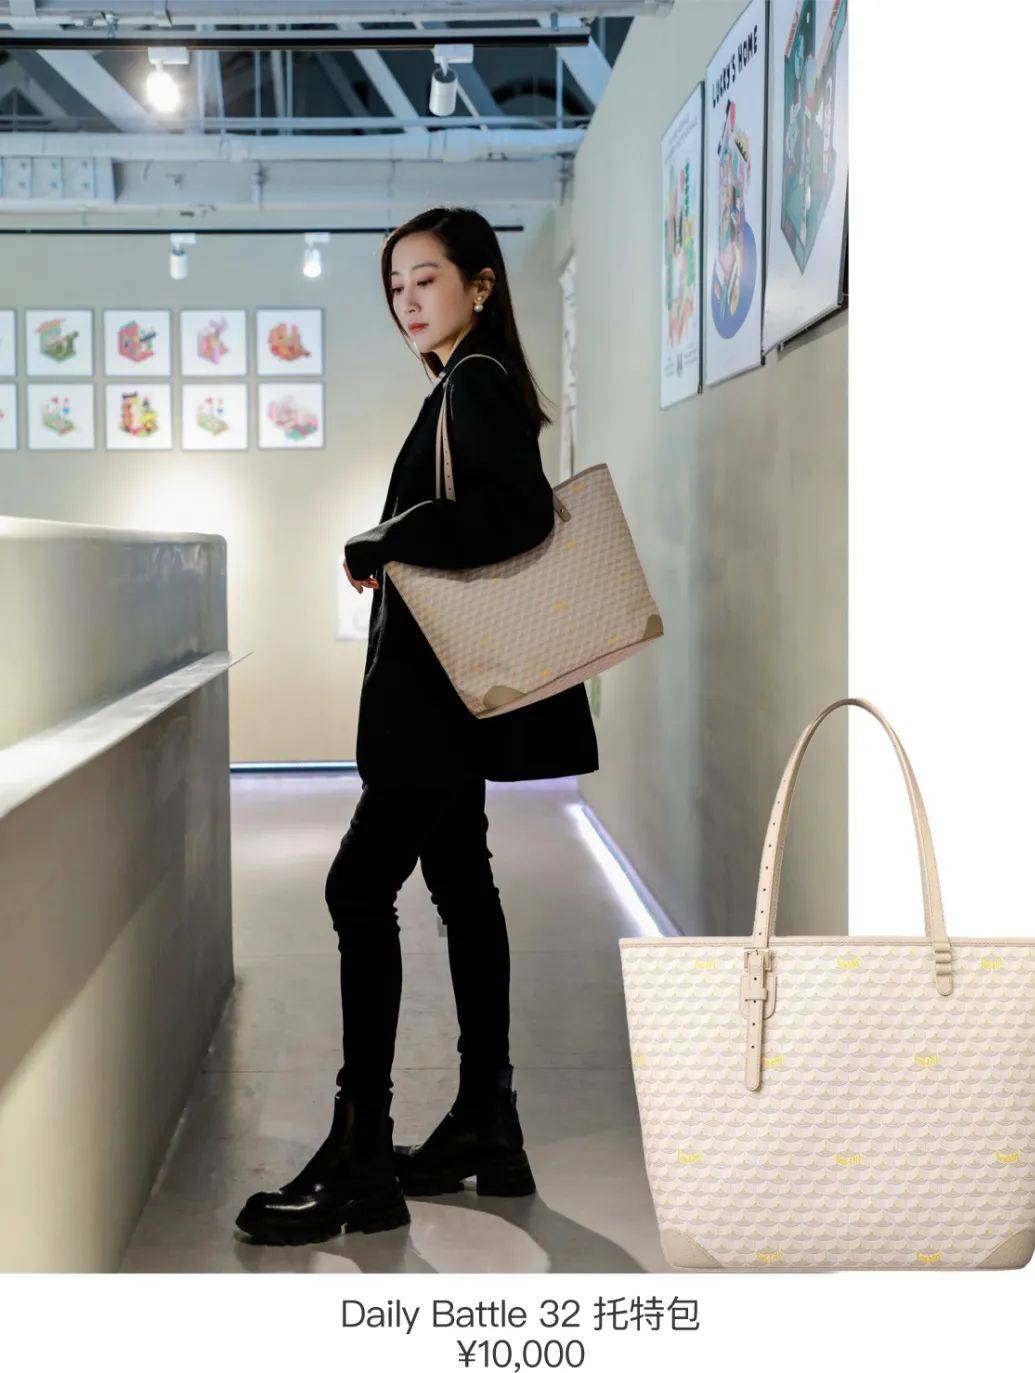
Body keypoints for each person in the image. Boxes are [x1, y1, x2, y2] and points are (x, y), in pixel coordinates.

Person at [236, 206, 599, 1246]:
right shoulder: (467, 381)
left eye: (426, 279)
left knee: (357, 888)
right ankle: (489, 1121)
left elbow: (515, 513)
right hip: (448, 702)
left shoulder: (473, 381)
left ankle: (364, 1159)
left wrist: (385, 535)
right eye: (395, 285)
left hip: (432, 708)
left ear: (482, 285)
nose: (407, 300)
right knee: (461, 886)